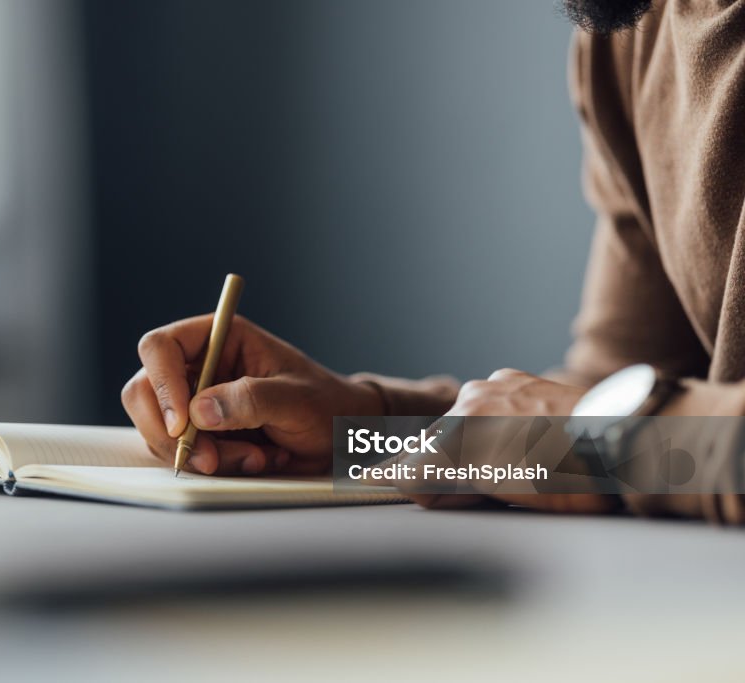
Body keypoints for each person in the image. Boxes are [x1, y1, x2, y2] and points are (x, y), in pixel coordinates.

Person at [122, 0, 745, 523]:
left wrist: (602, 444)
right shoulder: (633, 30)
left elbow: (597, 437)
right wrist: (364, 432)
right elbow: (598, 404)